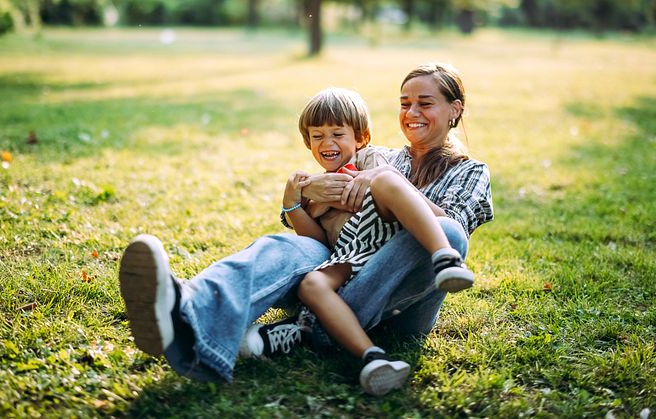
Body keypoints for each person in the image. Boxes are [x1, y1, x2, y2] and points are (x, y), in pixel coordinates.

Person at [118, 62, 493, 393]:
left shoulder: (468, 171)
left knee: (450, 235)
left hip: (400, 301)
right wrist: (298, 196)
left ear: (454, 109)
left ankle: (314, 330)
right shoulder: (379, 156)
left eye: (424, 103)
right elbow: (326, 226)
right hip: (344, 271)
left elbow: (453, 225)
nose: (411, 112)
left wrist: (387, 182)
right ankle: (185, 312)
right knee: (283, 247)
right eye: (404, 103)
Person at [254, 87, 474, 395]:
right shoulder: (314, 193)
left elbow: (388, 190)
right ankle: (371, 357)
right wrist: (293, 204)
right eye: (317, 136)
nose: (327, 144)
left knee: (386, 179)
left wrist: (323, 194)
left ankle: (444, 257)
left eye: (337, 134)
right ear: (308, 143)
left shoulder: (371, 158)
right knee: (311, 285)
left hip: (384, 240)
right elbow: (318, 242)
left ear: (361, 137)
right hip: (350, 252)